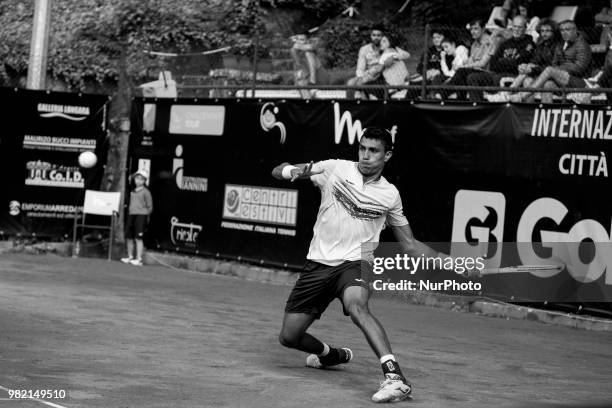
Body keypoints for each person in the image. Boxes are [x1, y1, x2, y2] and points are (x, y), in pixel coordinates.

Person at [271, 128, 471, 403]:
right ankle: (331, 355)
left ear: (387, 155)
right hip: (318, 264)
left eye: (373, 151)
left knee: (357, 306)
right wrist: (289, 172)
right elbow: (279, 169)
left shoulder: (390, 195)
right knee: (289, 337)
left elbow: (410, 245)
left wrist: (450, 262)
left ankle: (395, 378)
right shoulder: (335, 169)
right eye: (362, 148)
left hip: (356, 262)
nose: (365, 156)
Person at [517, 19, 592, 103]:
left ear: (575, 30)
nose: (564, 32)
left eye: (567, 29)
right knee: (547, 84)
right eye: (562, 30)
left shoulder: (582, 45)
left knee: (549, 70)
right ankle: (540, 113)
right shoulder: (562, 44)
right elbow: (554, 63)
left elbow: (579, 68)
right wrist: (557, 70)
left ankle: (522, 96)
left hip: (579, 81)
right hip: (562, 79)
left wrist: (558, 69)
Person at [465, 15, 534, 101]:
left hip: (513, 76)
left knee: (500, 79)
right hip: (497, 74)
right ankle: (477, 107)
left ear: (525, 28)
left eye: (519, 27)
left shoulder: (529, 44)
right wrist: (509, 62)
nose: (516, 30)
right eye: (514, 27)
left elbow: (519, 63)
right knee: (472, 77)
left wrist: (502, 61)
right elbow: (493, 64)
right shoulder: (506, 43)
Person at [440, 18, 496, 100]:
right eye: (471, 29)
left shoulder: (490, 42)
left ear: (483, 29)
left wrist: (464, 67)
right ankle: (460, 102)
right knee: (462, 76)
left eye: (476, 28)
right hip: (475, 71)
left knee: (463, 72)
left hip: (487, 73)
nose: (472, 31)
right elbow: (470, 60)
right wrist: (461, 65)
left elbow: (483, 64)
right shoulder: (474, 44)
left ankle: (443, 92)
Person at [510, 18, 560, 89]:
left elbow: (553, 67)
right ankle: (507, 94)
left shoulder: (558, 46)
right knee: (527, 80)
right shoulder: (541, 45)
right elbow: (534, 61)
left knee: (545, 83)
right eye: (542, 31)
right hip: (539, 73)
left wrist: (532, 69)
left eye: (547, 31)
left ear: (554, 31)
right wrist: (526, 66)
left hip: (553, 77)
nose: (544, 34)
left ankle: (506, 93)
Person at [121, 170, 153, 266]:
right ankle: (130, 257)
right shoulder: (132, 192)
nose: (138, 181)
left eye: (141, 179)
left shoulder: (146, 192)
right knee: (129, 237)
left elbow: (150, 207)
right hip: (131, 215)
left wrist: (145, 216)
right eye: (137, 178)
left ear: (144, 181)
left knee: (138, 238)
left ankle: (139, 259)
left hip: (141, 216)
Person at [347, 27, 386, 99]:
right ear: (371, 36)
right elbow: (360, 67)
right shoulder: (364, 49)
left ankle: (365, 105)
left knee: (360, 84)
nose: (376, 37)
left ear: (382, 37)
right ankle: (349, 105)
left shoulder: (386, 48)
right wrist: (360, 77)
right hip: (366, 75)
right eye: (374, 35)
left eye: (378, 35)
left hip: (379, 75)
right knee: (350, 83)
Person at [290, 33, 330, 98]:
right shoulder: (294, 52)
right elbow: (298, 72)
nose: (300, 42)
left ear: (307, 41)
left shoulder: (309, 50)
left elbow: (311, 47)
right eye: (298, 40)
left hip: (320, 78)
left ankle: (312, 81)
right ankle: (308, 102)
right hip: (306, 80)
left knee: (308, 54)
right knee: (301, 82)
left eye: (302, 40)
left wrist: (297, 46)